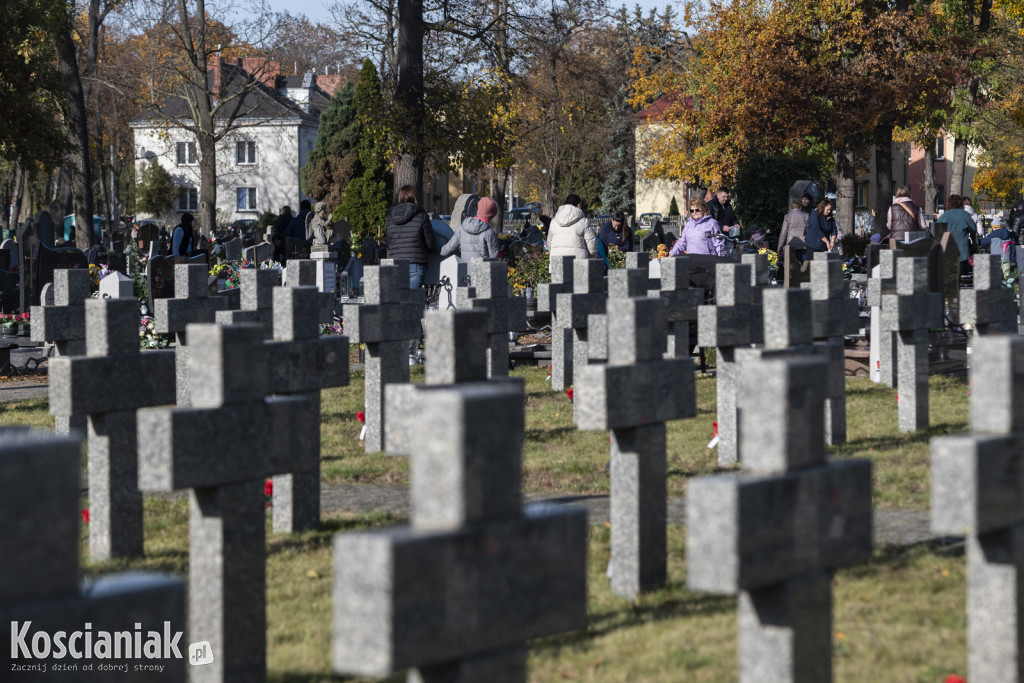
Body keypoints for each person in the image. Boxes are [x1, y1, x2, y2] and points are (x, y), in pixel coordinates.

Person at [385, 185, 435, 289]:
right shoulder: (422, 215)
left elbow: (389, 244)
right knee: (413, 303)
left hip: (395, 264)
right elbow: (430, 244)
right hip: (415, 264)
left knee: (397, 302)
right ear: (416, 197)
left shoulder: (390, 217)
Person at [546, 193, 597, 270]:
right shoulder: (584, 221)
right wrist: (590, 258)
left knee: (558, 282)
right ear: (579, 205)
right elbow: (591, 245)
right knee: (579, 282)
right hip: (578, 263)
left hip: (557, 263)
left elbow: (549, 244)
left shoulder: (554, 222)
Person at [441, 196, 500, 261]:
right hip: (482, 269)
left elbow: (447, 250)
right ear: (491, 215)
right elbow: (494, 258)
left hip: (464, 268)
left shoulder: (461, 228)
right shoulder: (489, 232)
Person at [941, 193, 977, 274]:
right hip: (962, 252)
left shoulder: (944, 216)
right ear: (960, 203)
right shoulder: (965, 215)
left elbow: (937, 231)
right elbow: (973, 230)